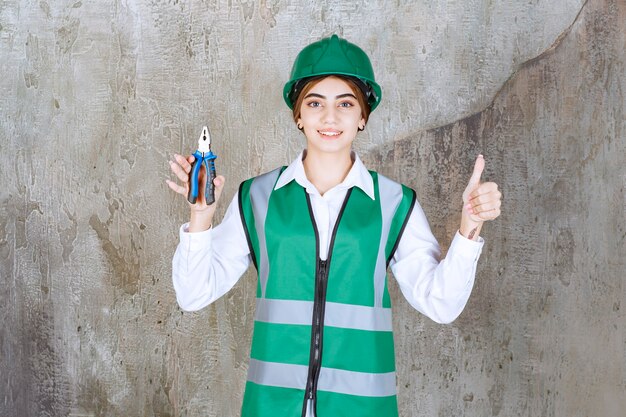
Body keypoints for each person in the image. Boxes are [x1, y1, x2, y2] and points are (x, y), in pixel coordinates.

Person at [167, 34, 501, 417]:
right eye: (315, 103)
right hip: (272, 408)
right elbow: (192, 295)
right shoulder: (257, 198)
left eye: (345, 103)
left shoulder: (393, 203)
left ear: (362, 116)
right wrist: (201, 217)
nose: (329, 117)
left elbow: (440, 304)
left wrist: (468, 227)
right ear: (298, 114)